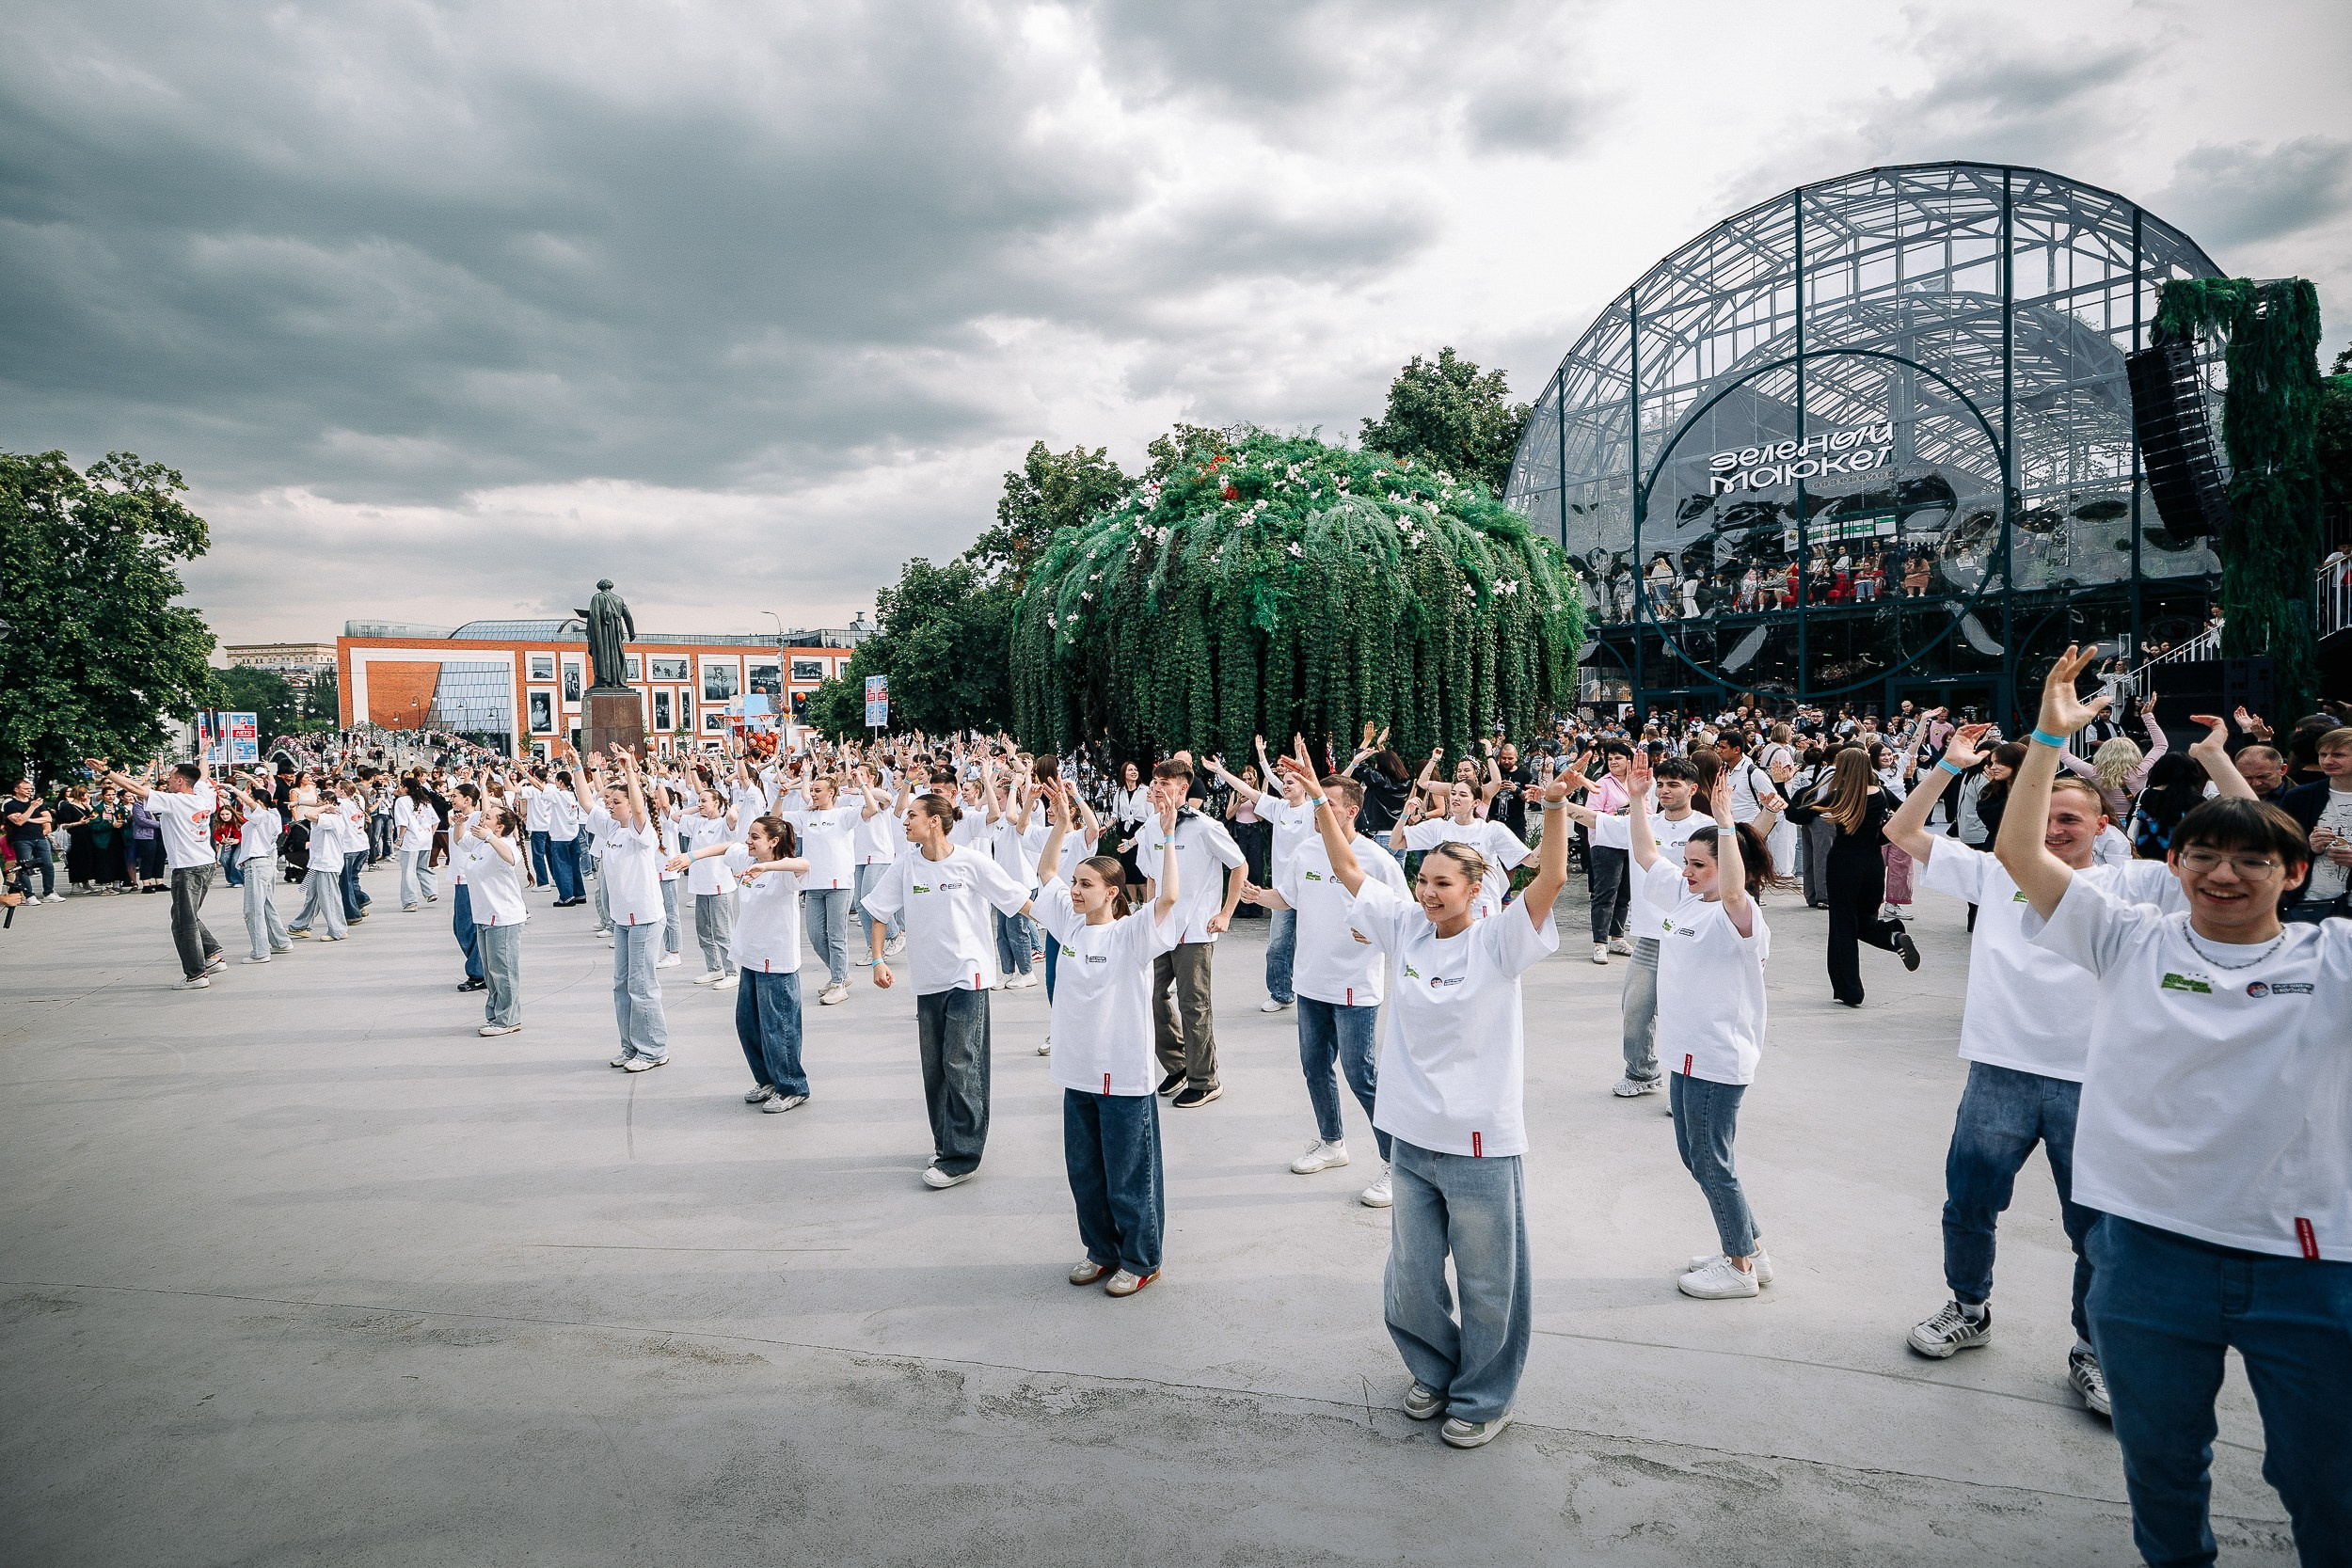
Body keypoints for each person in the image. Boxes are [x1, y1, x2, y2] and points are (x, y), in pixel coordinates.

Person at [1996, 646, 2350, 1566]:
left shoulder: (2333, 960)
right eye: (2204, 854)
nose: (2224, 873)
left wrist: (2232, 768)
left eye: (2251, 858)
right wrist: (2047, 739)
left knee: (2324, 1478)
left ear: (2294, 873)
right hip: (2146, 1251)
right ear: (2176, 861)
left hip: (2306, 1263)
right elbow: (2019, 852)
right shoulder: (2128, 936)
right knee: (2161, 1467)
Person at [1886, 715, 2252, 1416]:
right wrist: (1947, 763)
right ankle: (1969, 1307)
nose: (2055, 830)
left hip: (2096, 1081)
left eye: (2070, 819)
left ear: (2101, 825)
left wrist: (2214, 763)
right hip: (1998, 1069)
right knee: (1969, 1203)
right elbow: (1903, 832)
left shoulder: (2135, 884)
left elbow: (2251, 844)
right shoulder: (1997, 871)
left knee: (2096, 1229)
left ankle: (2091, 1348)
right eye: (2045, 817)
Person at [1278, 739, 1571, 1450]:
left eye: (1444, 882)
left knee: (1488, 1281)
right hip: (1410, 1137)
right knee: (1411, 1277)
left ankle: (1484, 1394)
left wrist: (1555, 807)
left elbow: (1553, 877)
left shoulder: (1500, 942)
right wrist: (1319, 800)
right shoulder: (1406, 926)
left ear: (1476, 890)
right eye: (1424, 879)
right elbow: (1349, 868)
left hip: (1479, 1142)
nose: (1429, 891)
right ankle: (1434, 1369)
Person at [1627, 749, 1776, 1301]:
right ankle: (1750, 1249)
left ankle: (1739, 1268)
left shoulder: (1740, 915)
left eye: (1699, 864)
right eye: (1687, 862)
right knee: (1698, 1157)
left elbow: (1733, 889)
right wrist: (1637, 800)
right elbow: (1647, 854)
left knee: (1712, 1161)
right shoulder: (1686, 899)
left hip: (1718, 1054)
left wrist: (1726, 823)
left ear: (1727, 865)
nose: (1687, 871)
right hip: (1684, 1052)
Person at [1032, 780, 1185, 1296]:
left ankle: (1141, 1259)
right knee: (1085, 1173)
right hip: (1076, 1072)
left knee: (1129, 1175)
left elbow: (1168, 897)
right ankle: (1100, 1251)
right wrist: (1060, 826)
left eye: (1086, 885)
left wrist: (1167, 836)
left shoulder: (1131, 934)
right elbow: (1045, 873)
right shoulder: (1070, 926)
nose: (1074, 891)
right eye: (1076, 883)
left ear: (1112, 892)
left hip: (1121, 1076)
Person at [1243, 773, 1410, 1205]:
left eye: (1327, 803)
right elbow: (1288, 898)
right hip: (1310, 982)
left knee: (1361, 1076)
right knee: (1315, 1067)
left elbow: (1405, 917)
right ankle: (1332, 1143)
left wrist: (1376, 933)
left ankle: (1397, 1165)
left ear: (1352, 811)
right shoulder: (1306, 851)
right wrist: (1258, 896)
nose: (1318, 810)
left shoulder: (1377, 860)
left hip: (1355, 986)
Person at [859, 789, 1038, 1188]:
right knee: (936, 1068)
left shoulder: (971, 862)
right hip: (928, 979)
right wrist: (877, 959)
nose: (905, 821)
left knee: (961, 1061)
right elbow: (878, 911)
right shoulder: (906, 865)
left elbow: (1018, 900)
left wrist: (1070, 924)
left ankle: (962, 1156)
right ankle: (946, 1143)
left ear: (934, 821)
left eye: (912, 815)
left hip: (969, 975)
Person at [1554, 755, 1712, 1095]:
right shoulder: (1642, 823)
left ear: (1692, 789)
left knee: (1687, 1017)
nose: (1666, 790)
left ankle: (1687, 1088)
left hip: (1694, 937)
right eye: (1662, 784)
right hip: (1651, 938)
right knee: (1636, 1011)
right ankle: (1641, 1073)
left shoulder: (1706, 828)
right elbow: (1594, 819)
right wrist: (1555, 800)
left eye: (1674, 785)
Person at [1782, 749, 1919, 1006]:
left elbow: (1796, 815)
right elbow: (1907, 816)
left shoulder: (1839, 795)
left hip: (1843, 865)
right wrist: (1909, 781)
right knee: (1865, 921)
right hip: (1873, 865)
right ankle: (1892, 937)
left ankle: (1851, 990)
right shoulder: (1882, 793)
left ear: (1843, 768)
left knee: (1842, 927)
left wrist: (1780, 787)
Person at [565, 745, 672, 1071]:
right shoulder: (610, 827)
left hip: (645, 918)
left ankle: (653, 1050)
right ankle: (630, 1046)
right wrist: (577, 767)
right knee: (622, 985)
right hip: (622, 920)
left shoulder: (642, 831)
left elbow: (639, 810)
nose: (609, 806)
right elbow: (587, 802)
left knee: (642, 985)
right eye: (609, 801)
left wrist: (629, 770)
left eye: (616, 802)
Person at [87, 756, 227, 986]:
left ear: (180, 781)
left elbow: (135, 789)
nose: (167, 780)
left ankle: (196, 974)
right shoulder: (203, 795)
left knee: (184, 923)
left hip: (188, 868)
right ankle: (212, 955)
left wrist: (106, 772)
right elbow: (202, 775)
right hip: (205, 864)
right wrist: (204, 753)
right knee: (183, 915)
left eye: (171, 777)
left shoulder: (175, 801)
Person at [1388, 779, 1533, 923]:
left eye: (1463, 795)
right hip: (1448, 908)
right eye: (1453, 794)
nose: (1456, 798)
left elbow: (1532, 861)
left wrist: (1546, 806)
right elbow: (1395, 842)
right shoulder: (1438, 827)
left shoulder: (1491, 830)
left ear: (1475, 803)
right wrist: (1405, 815)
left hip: (1482, 908)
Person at [452, 799, 528, 1037]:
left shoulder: (504, 843)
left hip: (503, 917)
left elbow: (512, 858)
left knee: (503, 971)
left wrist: (490, 838)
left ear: (499, 826)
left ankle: (509, 1019)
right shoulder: (479, 842)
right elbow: (460, 841)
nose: (482, 818)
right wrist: (458, 824)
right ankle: (495, 1016)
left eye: (488, 817)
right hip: (484, 916)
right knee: (490, 971)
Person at [2278, 725, 2352, 924]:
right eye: (2323, 754)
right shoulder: (2299, 797)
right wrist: (2308, 847)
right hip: (2311, 904)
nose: (2327, 761)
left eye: (2338, 755)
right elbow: (2275, 847)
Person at [681, 787, 741, 987]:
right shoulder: (698, 822)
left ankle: (732, 971)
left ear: (716, 803)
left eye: (704, 801)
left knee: (722, 931)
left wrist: (732, 806)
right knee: (704, 931)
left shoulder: (723, 824)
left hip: (719, 886)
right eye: (699, 800)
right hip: (701, 885)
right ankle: (714, 968)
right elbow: (675, 816)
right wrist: (696, 808)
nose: (700, 804)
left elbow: (732, 817)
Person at [227, 778, 291, 963]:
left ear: (258, 802)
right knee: (266, 906)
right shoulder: (273, 815)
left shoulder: (261, 815)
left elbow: (253, 803)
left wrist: (233, 788)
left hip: (257, 864)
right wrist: (250, 780)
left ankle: (260, 952)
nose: (245, 805)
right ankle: (281, 942)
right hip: (265, 864)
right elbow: (264, 794)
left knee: (252, 910)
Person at [1581, 744, 1634, 963]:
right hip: (1606, 843)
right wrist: (1619, 814)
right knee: (1605, 893)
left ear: (1629, 760)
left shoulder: (1635, 783)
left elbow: (1647, 810)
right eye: (1610, 758)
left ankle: (1617, 937)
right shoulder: (1602, 783)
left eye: (1618, 758)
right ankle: (1600, 942)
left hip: (1630, 842)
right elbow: (1592, 814)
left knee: (1625, 894)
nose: (1613, 762)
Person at [3, 780, 57, 902]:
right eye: (26, 789)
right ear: (16, 790)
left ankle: (49, 892)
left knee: (48, 865)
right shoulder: (10, 805)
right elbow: (19, 822)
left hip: (40, 837)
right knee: (24, 867)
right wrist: (32, 808)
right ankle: (29, 895)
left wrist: (29, 819)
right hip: (22, 839)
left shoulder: (37, 803)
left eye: (30, 789)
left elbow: (48, 818)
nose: (29, 791)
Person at [393, 778, 439, 911]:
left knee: (408, 870)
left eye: (401, 786)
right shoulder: (425, 801)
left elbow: (403, 823)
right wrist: (430, 834)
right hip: (425, 838)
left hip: (411, 840)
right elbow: (435, 820)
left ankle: (410, 901)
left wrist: (399, 838)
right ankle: (431, 891)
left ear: (406, 788)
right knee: (423, 866)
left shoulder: (401, 801)